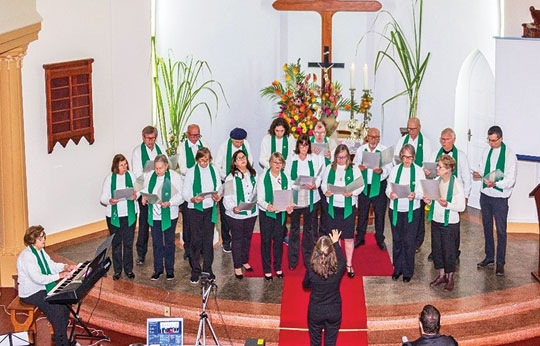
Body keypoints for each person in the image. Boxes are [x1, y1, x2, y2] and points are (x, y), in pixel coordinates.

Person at [17, 225, 78, 346]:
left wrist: (65, 267)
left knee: (66, 302)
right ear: (32, 240)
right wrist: (60, 276)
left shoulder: (40, 251)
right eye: (40, 238)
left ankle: (59, 337)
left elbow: (50, 265)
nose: (44, 240)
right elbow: (38, 278)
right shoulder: (27, 257)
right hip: (31, 292)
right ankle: (62, 343)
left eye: (43, 236)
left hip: (42, 287)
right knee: (56, 310)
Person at [473, 125, 517, 276]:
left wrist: (496, 183)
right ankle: (489, 257)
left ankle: (500, 263)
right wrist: (479, 173)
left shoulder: (510, 155)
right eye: (489, 140)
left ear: (501, 138)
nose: (491, 143)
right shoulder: (487, 151)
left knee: (501, 230)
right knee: (486, 227)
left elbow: (511, 180)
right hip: (485, 194)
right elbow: (481, 166)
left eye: (494, 141)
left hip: (500, 198)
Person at [425, 128, 472, 262]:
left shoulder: (461, 156)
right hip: (439, 190)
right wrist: (428, 173)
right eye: (442, 139)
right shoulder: (435, 154)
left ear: (454, 140)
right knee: (436, 224)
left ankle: (454, 252)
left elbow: (466, 177)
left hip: (455, 194)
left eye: (446, 139)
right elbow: (433, 174)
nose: (443, 142)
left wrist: (466, 196)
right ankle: (436, 252)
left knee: (453, 228)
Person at [423, 155, 465, 291]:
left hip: (450, 222)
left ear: (448, 169)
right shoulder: (436, 180)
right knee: (437, 249)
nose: (437, 169)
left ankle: (450, 277)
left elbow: (461, 207)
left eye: (440, 167)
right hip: (436, 219)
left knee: (449, 251)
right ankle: (441, 275)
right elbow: (434, 198)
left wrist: (448, 204)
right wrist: (429, 201)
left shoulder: (457, 184)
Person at [321, 144, 363, 279]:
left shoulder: (354, 169)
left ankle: (349, 264)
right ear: (335, 157)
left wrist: (352, 192)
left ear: (348, 157)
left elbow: (360, 185)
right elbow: (323, 183)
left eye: (344, 157)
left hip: (348, 208)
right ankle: (337, 262)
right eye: (339, 157)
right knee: (335, 237)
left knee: (349, 237)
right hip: (333, 207)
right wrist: (325, 191)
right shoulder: (329, 168)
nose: (341, 160)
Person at [182, 147, 222, 284]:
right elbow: (185, 192)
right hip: (195, 209)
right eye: (201, 161)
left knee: (208, 240)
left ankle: (207, 269)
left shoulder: (214, 170)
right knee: (195, 240)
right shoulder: (191, 172)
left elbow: (218, 187)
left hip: (209, 208)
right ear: (197, 160)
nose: (204, 163)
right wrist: (192, 199)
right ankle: (195, 270)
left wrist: (218, 196)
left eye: (207, 160)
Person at [141, 154, 183, 280]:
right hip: (154, 215)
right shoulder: (150, 176)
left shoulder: (174, 177)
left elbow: (181, 195)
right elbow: (145, 190)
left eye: (160, 168)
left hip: (169, 213)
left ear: (166, 166)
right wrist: (144, 197)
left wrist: (169, 202)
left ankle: (170, 269)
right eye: (156, 168)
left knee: (169, 242)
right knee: (157, 243)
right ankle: (158, 269)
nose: (158, 171)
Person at [386, 144, 425, 282]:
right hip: (395, 209)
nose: (407, 160)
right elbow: (388, 188)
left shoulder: (419, 171)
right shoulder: (395, 170)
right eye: (404, 157)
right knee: (397, 240)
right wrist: (390, 194)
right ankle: (397, 268)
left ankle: (408, 271)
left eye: (410, 157)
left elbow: (422, 192)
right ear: (401, 156)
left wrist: (415, 194)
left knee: (409, 241)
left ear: (414, 157)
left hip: (412, 210)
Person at [285, 134, 323, 269]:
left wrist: (315, 184)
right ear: (298, 146)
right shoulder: (291, 159)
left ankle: (308, 258)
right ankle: (293, 260)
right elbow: (287, 176)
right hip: (295, 198)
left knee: (309, 229)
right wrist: (297, 184)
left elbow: (320, 174)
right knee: (294, 229)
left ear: (309, 146)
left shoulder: (315, 158)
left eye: (306, 145)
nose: (304, 147)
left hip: (311, 198)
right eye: (301, 145)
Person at [394, 117, 432, 252]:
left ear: (419, 127)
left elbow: (427, 161)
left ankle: (417, 241)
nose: (410, 131)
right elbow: (396, 158)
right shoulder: (402, 141)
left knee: (418, 212)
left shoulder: (426, 143)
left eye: (413, 129)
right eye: (409, 129)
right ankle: (404, 238)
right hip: (403, 178)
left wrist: (422, 171)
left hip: (418, 179)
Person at [303, 229, 345, 346]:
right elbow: (342, 259)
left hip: (316, 310)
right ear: (332, 252)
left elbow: (305, 286)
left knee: (315, 342)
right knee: (330, 342)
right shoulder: (339, 268)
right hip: (334, 310)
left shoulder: (311, 270)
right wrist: (336, 242)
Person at [214, 127, 254, 253]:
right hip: (228, 180)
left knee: (242, 208)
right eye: (237, 142)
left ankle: (240, 237)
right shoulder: (224, 147)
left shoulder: (246, 145)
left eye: (241, 142)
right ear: (231, 139)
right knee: (226, 211)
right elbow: (217, 164)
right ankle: (226, 240)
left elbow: (250, 161)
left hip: (242, 179)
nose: (239, 144)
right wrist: (226, 177)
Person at [100, 154, 139, 280]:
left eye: (125, 164)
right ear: (116, 166)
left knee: (128, 243)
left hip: (129, 214)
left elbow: (138, 191)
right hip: (114, 216)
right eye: (122, 165)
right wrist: (110, 200)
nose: (124, 167)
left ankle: (128, 269)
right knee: (116, 244)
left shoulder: (131, 176)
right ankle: (117, 270)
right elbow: (103, 198)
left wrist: (135, 196)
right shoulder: (109, 179)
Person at [352, 127, 392, 250]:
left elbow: (389, 167)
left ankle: (380, 238)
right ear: (367, 137)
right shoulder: (361, 150)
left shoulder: (384, 150)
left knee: (380, 213)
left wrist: (382, 171)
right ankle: (360, 237)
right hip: (364, 185)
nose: (374, 139)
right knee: (362, 213)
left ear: (379, 138)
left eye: (376, 137)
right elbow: (354, 165)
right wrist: (359, 168)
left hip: (379, 185)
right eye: (371, 137)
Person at [257, 152, 294, 280]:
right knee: (266, 241)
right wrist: (268, 206)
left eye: (280, 162)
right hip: (267, 213)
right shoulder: (263, 177)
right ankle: (267, 268)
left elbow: (289, 195)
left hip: (280, 214)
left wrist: (290, 205)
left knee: (278, 241)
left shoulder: (286, 177)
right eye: (275, 162)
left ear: (283, 164)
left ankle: (277, 267)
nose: (277, 164)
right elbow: (259, 198)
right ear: (270, 163)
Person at [131, 125, 165, 266]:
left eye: (152, 138)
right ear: (143, 137)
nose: (150, 141)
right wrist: (153, 171)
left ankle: (162, 249)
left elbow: (166, 166)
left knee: (161, 221)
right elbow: (138, 173)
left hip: (159, 190)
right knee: (144, 223)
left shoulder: (161, 149)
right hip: (145, 191)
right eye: (147, 138)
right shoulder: (138, 152)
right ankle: (141, 253)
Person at [223, 149, 258, 279]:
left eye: (244, 157)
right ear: (235, 162)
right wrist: (233, 207)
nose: (243, 159)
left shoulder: (253, 174)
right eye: (239, 158)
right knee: (237, 239)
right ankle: (237, 265)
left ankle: (244, 260)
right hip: (236, 214)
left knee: (247, 238)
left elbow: (256, 191)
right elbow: (227, 197)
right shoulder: (231, 178)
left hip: (251, 212)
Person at [177, 124, 209, 261]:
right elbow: (183, 168)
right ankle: (188, 248)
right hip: (188, 188)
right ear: (187, 134)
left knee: (201, 220)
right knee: (189, 221)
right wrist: (198, 169)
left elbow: (208, 163)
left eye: (197, 135)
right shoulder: (181, 147)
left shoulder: (204, 144)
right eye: (192, 135)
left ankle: (201, 246)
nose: (195, 138)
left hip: (203, 187)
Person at [310, 120, 337, 238]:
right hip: (313, 181)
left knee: (326, 208)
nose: (319, 135)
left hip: (326, 181)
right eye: (317, 132)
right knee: (313, 209)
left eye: (322, 132)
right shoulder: (307, 144)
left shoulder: (331, 144)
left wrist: (331, 157)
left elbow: (337, 162)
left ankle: (324, 234)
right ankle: (313, 235)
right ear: (313, 132)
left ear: (326, 132)